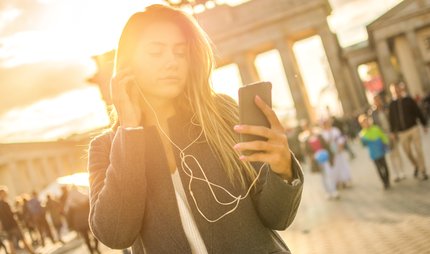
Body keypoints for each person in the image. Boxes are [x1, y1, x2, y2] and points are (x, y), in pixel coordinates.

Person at [87, 4, 303, 254]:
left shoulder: (221, 113)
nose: (171, 62)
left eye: (180, 52)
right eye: (156, 52)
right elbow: (115, 233)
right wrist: (130, 131)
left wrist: (282, 169)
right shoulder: (105, 147)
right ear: (127, 63)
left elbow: (278, 217)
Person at [388, 82, 428, 180]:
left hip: (413, 128)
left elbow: (417, 111)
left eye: (398, 90)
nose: (396, 92)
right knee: (408, 152)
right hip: (402, 132)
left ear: (401, 90)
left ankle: (423, 170)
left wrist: (424, 124)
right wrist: (393, 131)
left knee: (418, 150)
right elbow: (391, 119)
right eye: (394, 91)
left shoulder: (409, 100)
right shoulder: (392, 104)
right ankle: (417, 166)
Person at [371, 93, 405, 182]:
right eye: (375, 101)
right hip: (383, 136)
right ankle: (396, 173)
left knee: (396, 153)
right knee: (390, 155)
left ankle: (401, 171)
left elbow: (393, 119)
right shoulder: (373, 113)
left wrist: (394, 132)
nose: (377, 102)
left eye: (378, 100)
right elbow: (375, 126)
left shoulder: (387, 108)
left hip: (392, 133)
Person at [358, 114, 391, 189]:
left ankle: (387, 180)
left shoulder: (376, 128)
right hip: (373, 154)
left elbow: (383, 136)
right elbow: (363, 145)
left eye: (366, 121)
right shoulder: (362, 133)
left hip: (381, 151)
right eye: (363, 123)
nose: (365, 123)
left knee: (385, 166)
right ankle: (384, 182)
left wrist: (386, 143)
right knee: (379, 169)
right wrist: (362, 141)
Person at [0, 187, 35, 254]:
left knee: (10, 244)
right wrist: (16, 211)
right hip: (13, 225)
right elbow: (10, 214)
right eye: (5, 193)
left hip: (6, 227)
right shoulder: (5, 203)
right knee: (23, 240)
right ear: (1, 194)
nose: (6, 194)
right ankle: (32, 253)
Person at [321, 119, 353, 188]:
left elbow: (341, 138)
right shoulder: (322, 134)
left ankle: (346, 180)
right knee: (334, 168)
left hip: (338, 151)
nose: (326, 125)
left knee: (342, 165)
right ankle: (338, 182)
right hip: (330, 154)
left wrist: (340, 146)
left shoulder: (335, 130)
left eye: (327, 123)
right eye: (324, 124)